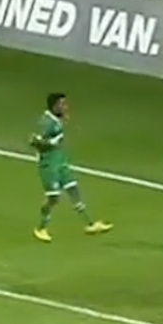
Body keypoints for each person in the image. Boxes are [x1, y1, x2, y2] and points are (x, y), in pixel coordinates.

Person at [31, 93, 112, 241]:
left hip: (60, 162)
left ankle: (90, 224)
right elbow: (33, 141)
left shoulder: (56, 119)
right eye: (62, 104)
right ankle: (41, 228)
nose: (65, 107)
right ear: (54, 106)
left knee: (73, 189)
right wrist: (51, 143)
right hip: (48, 165)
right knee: (53, 198)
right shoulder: (46, 123)